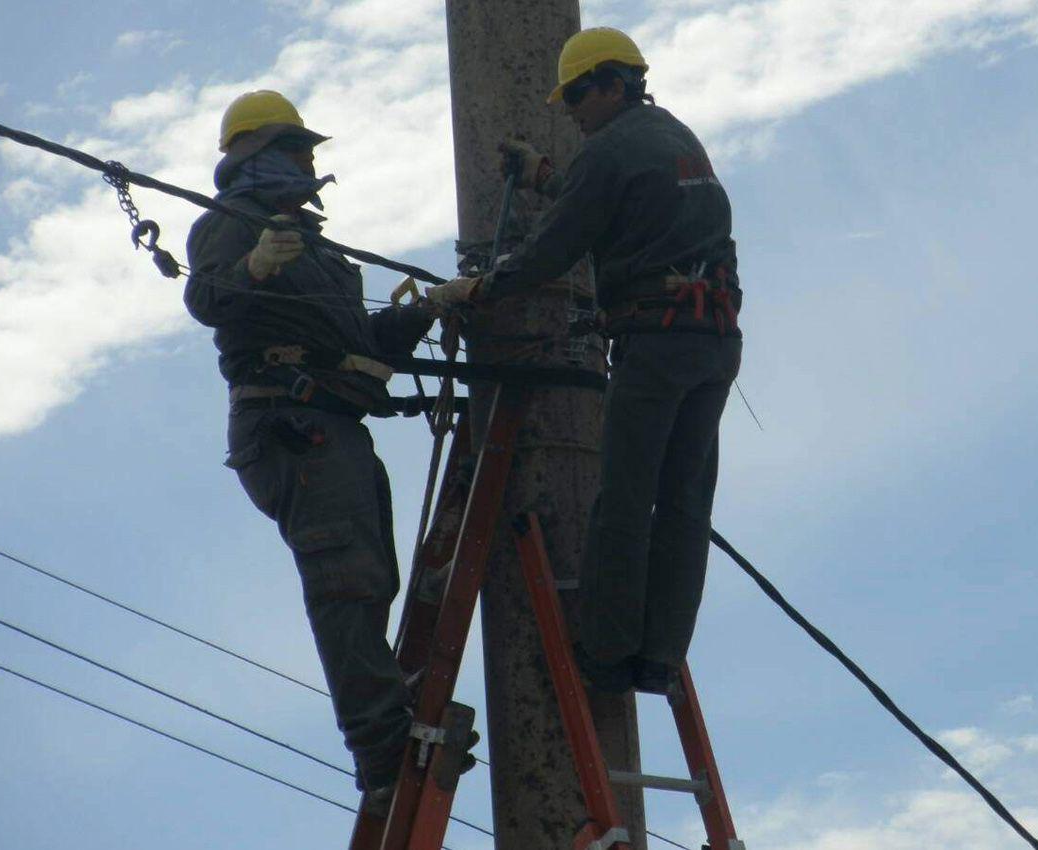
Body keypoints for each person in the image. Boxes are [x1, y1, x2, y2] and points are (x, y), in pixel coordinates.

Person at [428, 28, 744, 694]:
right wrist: (547, 176)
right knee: (685, 504)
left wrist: (482, 287)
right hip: (713, 343)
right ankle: (659, 658)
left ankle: (605, 650)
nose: (570, 110)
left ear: (609, 84)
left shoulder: (607, 152)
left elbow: (552, 250)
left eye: (575, 95)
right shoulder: (675, 137)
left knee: (626, 498)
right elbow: (618, 199)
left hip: (655, 346)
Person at [183, 90, 434, 803]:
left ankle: (383, 707)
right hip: (289, 428)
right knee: (346, 582)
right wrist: (254, 266)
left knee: (371, 576)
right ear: (257, 153)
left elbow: (359, 347)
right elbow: (206, 299)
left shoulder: (314, 248)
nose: (309, 161)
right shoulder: (234, 224)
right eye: (297, 148)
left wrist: (429, 313)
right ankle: (381, 748)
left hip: (332, 426)